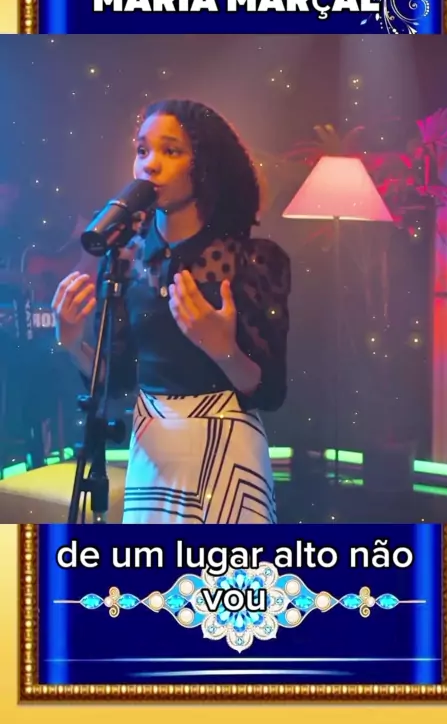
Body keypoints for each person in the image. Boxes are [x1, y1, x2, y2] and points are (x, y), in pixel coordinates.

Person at [52, 99, 291, 524]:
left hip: (227, 449)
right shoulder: (124, 258)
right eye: (142, 150)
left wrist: (223, 349)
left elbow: (269, 392)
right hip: (152, 447)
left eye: (171, 150)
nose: (150, 164)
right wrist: (72, 343)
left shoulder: (253, 259)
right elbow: (116, 381)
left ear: (205, 165)